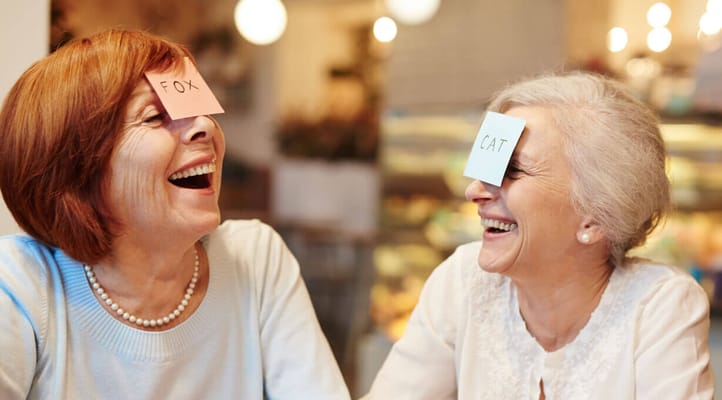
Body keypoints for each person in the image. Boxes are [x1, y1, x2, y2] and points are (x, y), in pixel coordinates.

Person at [0, 29, 350, 399]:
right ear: (75, 171)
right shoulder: (22, 284)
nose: (204, 126)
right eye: (154, 117)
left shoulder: (255, 260)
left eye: (195, 109)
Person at [363, 71, 714, 399]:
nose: (474, 190)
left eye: (513, 170)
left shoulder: (660, 305)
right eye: (485, 168)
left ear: (594, 217)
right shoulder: (463, 278)